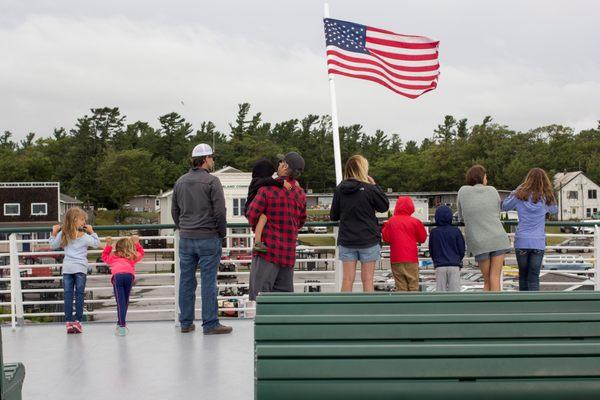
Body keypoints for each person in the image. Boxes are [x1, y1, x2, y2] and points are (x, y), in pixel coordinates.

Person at [172, 143, 232, 335]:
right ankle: (210, 324)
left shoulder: (180, 182)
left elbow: (175, 211)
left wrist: (184, 228)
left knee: (186, 282)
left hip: (186, 238)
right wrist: (221, 234)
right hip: (208, 237)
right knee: (208, 282)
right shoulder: (212, 181)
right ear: (205, 159)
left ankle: (186, 323)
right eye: (212, 158)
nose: (213, 161)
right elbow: (220, 212)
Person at [246, 152, 307, 300]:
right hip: (288, 253)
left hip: (267, 252)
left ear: (285, 166)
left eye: (281, 162)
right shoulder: (299, 193)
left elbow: (251, 214)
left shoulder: (266, 190)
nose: (278, 164)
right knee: (283, 302)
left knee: (261, 298)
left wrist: (262, 222)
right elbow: (301, 221)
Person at [330, 155, 389, 292]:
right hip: (368, 239)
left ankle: (345, 312)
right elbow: (384, 206)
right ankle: (368, 311)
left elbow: (334, 216)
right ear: (363, 169)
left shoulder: (340, 189)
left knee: (347, 279)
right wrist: (375, 186)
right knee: (367, 279)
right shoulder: (369, 188)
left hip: (347, 240)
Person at [502, 168, 558, 291]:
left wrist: (517, 190)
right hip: (538, 242)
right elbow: (555, 210)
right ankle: (534, 307)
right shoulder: (546, 197)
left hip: (522, 240)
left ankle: (523, 306)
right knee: (534, 277)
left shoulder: (519, 195)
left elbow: (505, 206)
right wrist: (549, 193)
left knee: (523, 276)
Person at [457, 165, 511, 292]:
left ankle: (486, 309)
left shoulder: (462, 191)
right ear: (482, 177)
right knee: (495, 277)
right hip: (498, 238)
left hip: (479, 241)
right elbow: (497, 213)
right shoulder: (493, 190)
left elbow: (461, 216)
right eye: (486, 176)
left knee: (487, 280)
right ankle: (496, 309)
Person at [49, 207, 99, 334]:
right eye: (82, 220)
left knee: (68, 295)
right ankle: (78, 321)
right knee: (79, 295)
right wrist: (92, 232)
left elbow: (52, 245)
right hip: (81, 269)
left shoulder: (64, 233)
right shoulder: (85, 236)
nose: (84, 223)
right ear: (75, 220)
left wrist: (53, 234)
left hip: (67, 269)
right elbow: (96, 243)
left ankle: (69, 322)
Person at [245, 157, 294, 253]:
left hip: (251, 207)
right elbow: (268, 181)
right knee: (263, 218)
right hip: (249, 207)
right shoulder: (257, 181)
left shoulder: (257, 180)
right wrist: (281, 182)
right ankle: (257, 242)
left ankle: (258, 242)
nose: (271, 176)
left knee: (263, 219)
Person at [382, 197, 428, 292]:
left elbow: (386, 238)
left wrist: (385, 226)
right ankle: (412, 306)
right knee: (413, 285)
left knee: (400, 287)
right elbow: (422, 238)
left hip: (396, 258)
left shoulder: (391, 221)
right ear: (411, 207)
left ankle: (401, 306)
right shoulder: (415, 222)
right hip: (411, 258)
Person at [102, 235, 144, 335]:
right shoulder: (132, 256)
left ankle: (122, 326)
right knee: (125, 302)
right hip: (129, 276)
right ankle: (120, 322)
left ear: (117, 248)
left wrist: (108, 245)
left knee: (120, 302)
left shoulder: (113, 256)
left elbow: (104, 256)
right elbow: (141, 253)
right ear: (130, 247)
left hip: (118, 277)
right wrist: (137, 243)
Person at [429, 205, 466, 292]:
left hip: (440, 265)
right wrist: (458, 259)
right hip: (454, 264)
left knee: (440, 291)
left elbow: (431, 249)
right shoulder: (456, 231)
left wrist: (436, 260)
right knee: (455, 292)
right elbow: (462, 248)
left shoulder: (434, 232)